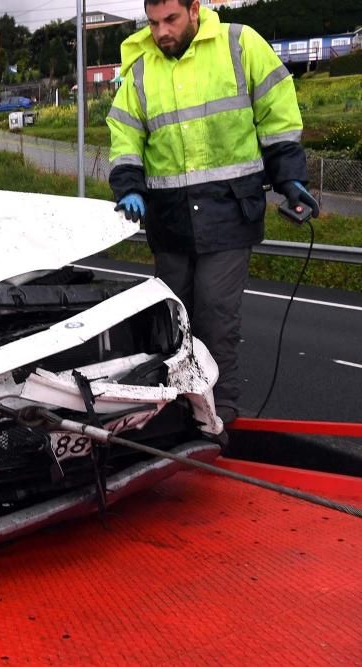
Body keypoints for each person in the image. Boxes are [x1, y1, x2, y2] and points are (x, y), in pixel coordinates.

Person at [106, 0, 317, 425]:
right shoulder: (143, 69)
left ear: (195, 10)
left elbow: (276, 115)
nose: (161, 32)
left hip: (228, 214)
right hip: (169, 220)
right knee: (170, 324)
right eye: (153, 23)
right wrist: (129, 187)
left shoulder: (240, 45)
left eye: (171, 20)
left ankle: (220, 419)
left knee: (214, 321)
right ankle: (175, 415)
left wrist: (290, 179)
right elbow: (125, 136)